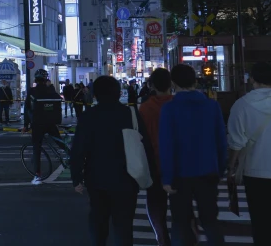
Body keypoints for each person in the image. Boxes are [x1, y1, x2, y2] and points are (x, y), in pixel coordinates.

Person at [71, 75, 154, 246]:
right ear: (118, 92)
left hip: (97, 178)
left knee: (98, 220)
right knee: (124, 226)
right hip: (127, 178)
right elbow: (145, 145)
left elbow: (78, 149)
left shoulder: (89, 116)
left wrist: (76, 178)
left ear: (95, 95)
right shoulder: (130, 114)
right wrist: (150, 173)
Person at [159, 64, 227, 246]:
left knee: (180, 222)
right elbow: (221, 141)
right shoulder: (212, 106)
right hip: (208, 171)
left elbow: (166, 145)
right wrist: (220, 169)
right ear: (195, 81)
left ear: (173, 83)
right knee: (210, 220)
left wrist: (167, 177)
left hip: (179, 174)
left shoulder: (169, 109)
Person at [226, 61, 271, 245]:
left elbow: (236, 143)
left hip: (255, 172)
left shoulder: (242, 105)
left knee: (261, 221)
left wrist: (231, 166)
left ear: (252, 79)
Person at [138, 68, 174, 246]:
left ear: (151, 85)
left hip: (153, 162)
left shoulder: (145, 108)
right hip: (176, 163)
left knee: (155, 204)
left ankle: (161, 237)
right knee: (179, 204)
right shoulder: (176, 104)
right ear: (171, 84)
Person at [24, 69, 65, 185]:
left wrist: (26, 125)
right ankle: (73, 157)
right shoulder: (51, 90)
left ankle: (37, 175)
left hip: (38, 124)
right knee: (60, 142)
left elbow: (27, 108)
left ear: (35, 80)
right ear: (46, 79)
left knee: (37, 148)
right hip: (52, 122)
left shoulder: (32, 91)